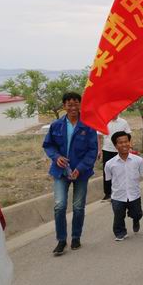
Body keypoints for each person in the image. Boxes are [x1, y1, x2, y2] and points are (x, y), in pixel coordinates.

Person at [43, 92, 98, 256]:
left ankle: (76, 237)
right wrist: (56, 157)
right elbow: (48, 145)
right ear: (64, 106)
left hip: (81, 172)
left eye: (75, 104)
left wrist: (80, 168)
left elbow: (92, 150)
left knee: (78, 207)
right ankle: (61, 240)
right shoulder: (56, 125)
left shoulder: (88, 126)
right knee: (59, 205)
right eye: (69, 104)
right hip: (61, 172)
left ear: (80, 105)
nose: (73, 107)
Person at [104, 131, 143, 241]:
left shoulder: (138, 160)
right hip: (118, 196)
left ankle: (136, 220)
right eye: (120, 142)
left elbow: (141, 174)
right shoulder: (109, 164)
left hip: (134, 194)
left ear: (129, 143)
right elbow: (108, 179)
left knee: (137, 213)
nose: (124, 144)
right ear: (115, 145)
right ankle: (120, 232)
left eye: (126, 141)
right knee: (118, 216)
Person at [97, 114, 132, 202]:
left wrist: (129, 148)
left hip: (120, 151)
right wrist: (99, 150)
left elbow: (129, 136)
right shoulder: (104, 122)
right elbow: (99, 137)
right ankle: (108, 193)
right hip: (107, 150)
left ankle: (121, 192)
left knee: (120, 171)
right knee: (107, 172)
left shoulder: (123, 122)